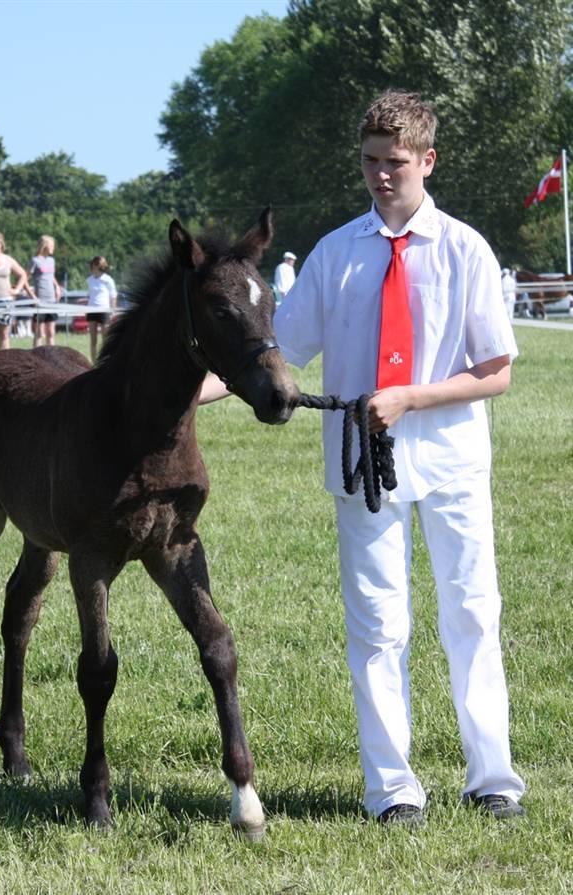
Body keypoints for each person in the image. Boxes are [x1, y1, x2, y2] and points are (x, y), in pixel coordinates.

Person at [202, 89, 525, 827]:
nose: (381, 175)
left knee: (471, 612)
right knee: (378, 625)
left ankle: (493, 775)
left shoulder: (467, 248)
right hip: (363, 467)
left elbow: (497, 369)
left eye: (396, 162)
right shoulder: (335, 255)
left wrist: (410, 397)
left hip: (450, 459)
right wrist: (193, 391)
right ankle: (392, 787)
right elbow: (276, 350)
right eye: (371, 161)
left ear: (428, 160)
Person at [30, 235, 62, 347]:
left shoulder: (51, 260)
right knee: (39, 333)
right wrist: (32, 296)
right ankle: (36, 358)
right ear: (45, 246)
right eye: (51, 245)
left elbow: (50, 276)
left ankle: (52, 358)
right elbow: (25, 277)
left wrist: (57, 287)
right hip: (40, 301)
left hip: (52, 300)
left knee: (51, 332)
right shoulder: (35, 260)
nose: (53, 248)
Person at [85, 255, 117, 362]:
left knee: (105, 340)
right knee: (93, 340)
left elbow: (113, 296)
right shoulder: (89, 280)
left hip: (104, 311)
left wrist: (112, 311)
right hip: (92, 310)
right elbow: (89, 296)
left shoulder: (108, 279)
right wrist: (86, 309)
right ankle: (93, 363)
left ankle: (106, 362)